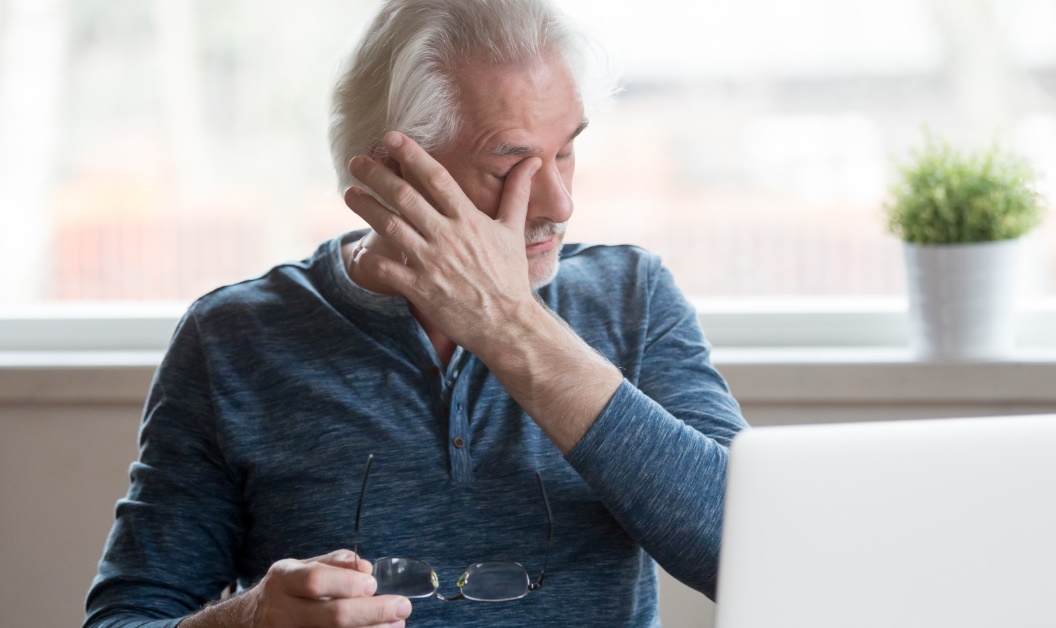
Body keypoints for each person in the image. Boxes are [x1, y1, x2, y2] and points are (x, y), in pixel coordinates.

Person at [84, 0, 747, 626]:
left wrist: (512, 326)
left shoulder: (635, 298)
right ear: (392, 177)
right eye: (509, 165)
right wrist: (250, 618)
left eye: (566, 150)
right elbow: (126, 615)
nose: (558, 201)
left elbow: (746, 551)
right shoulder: (233, 339)